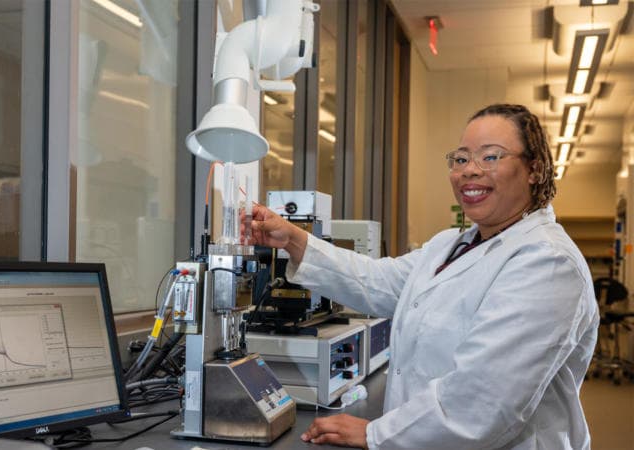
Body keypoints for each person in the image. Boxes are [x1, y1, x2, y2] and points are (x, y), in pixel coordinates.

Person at [246, 104, 599, 449]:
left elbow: (482, 402)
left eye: (490, 157)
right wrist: (291, 238)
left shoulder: (547, 262)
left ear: (534, 169)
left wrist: (374, 434)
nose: (469, 170)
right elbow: (377, 281)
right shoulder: (451, 244)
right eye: (461, 159)